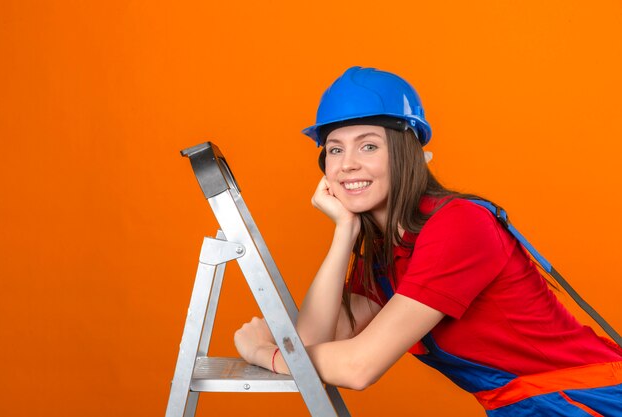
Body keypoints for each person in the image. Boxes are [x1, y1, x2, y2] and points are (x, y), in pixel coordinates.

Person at [233, 66, 622, 416]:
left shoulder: (458, 225)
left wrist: (266, 354)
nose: (346, 163)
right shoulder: (385, 254)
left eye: (368, 145)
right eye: (335, 149)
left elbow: (356, 367)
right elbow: (314, 342)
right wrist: (343, 232)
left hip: (589, 402)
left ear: (406, 155)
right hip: (532, 408)